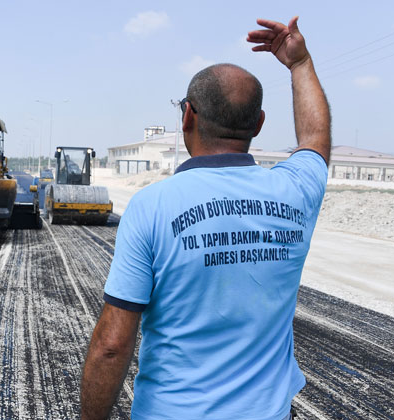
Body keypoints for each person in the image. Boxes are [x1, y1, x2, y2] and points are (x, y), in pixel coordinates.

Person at [81, 16, 330, 420]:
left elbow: (112, 345)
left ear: (187, 117)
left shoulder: (151, 206)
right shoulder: (295, 193)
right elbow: (315, 142)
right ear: (259, 124)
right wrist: (300, 65)